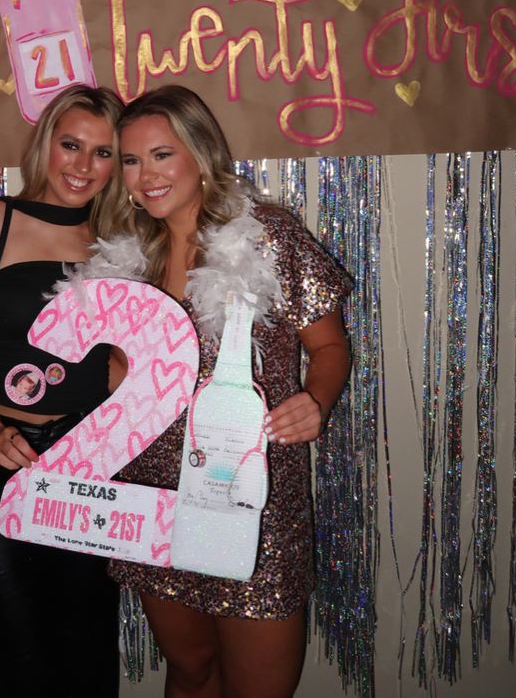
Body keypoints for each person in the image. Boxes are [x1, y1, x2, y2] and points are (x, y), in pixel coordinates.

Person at [95, 85, 352, 698]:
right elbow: (113, 381)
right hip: (155, 499)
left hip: (252, 500)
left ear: (200, 152)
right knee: (189, 672)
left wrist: (315, 400)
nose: (144, 176)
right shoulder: (126, 259)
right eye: (130, 161)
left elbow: (331, 347)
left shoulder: (270, 239)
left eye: (162, 154)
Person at [0, 84, 125, 698]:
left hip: (90, 463)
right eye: (71, 144)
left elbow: (129, 362)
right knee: (23, 657)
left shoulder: (120, 242)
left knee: (89, 649)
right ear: (46, 142)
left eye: (103, 153)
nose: (82, 166)